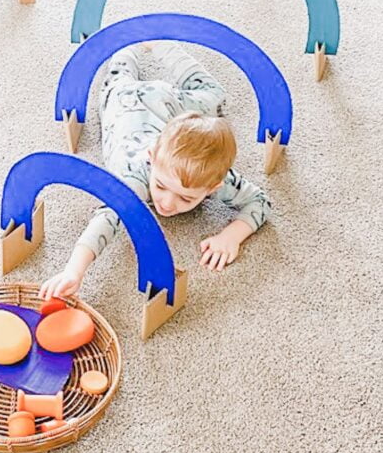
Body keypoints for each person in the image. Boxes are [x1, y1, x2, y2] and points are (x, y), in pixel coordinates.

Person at [39, 41, 272, 300]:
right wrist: (73, 271)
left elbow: (260, 201)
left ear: (213, 188)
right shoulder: (137, 175)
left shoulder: (215, 177)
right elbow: (106, 220)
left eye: (186, 197)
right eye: (160, 186)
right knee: (118, 74)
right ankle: (135, 44)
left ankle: (161, 46)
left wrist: (232, 235)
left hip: (167, 103)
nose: (167, 203)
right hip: (123, 98)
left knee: (215, 95)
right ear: (152, 158)